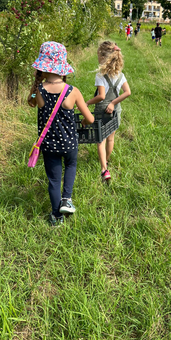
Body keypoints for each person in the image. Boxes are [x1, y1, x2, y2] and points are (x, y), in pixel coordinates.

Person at [28, 42, 94, 226]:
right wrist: (81, 121)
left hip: (49, 145)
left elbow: (31, 102)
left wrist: (36, 83)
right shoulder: (72, 91)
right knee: (71, 166)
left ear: (42, 68)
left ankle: (56, 217)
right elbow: (90, 119)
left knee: (54, 180)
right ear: (62, 67)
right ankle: (67, 199)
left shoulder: (38, 91)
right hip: (70, 143)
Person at [86, 41, 131, 182]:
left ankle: (104, 169)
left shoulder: (100, 75)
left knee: (101, 141)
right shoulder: (120, 74)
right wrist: (114, 103)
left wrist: (87, 102)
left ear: (103, 57)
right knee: (111, 138)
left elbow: (101, 96)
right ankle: (107, 162)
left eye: (98, 54)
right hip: (115, 111)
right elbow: (127, 92)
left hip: (102, 112)